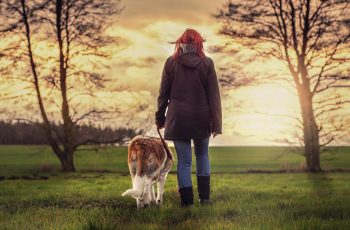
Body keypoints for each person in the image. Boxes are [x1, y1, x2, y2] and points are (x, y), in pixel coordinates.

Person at [155, 28, 222, 206]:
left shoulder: (170, 63)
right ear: (199, 44)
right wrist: (216, 124)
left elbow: (163, 94)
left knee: (184, 162)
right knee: (202, 157)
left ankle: (187, 204)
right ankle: (205, 199)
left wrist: (160, 118)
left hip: (178, 119)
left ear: (180, 43)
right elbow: (214, 96)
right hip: (201, 118)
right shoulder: (207, 63)